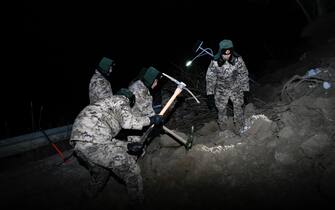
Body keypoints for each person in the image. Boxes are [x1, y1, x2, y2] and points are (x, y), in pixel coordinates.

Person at [70, 88, 163, 207]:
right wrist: (151, 120)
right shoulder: (121, 100)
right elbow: (128, 123)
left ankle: (85, 197)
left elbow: (104, 138)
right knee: (131, 170)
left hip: (79, 146)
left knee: (101, 173)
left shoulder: (102, 105)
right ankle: (137, 204)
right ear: (129, 100)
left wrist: (127, 145)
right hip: (93, 143)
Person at [206, 39, 249, 135]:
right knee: (221, 110)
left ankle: (240, 128)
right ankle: (224, 131)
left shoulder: (238, 59)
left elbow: (244, 74)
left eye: (229, 53)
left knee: (238, 107)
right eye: (224, 54)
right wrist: (210, 94)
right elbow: (210, 78)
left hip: (236, 87)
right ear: (220, 51)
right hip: (221, 89)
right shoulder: (214, 62)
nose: (227, 56)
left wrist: (245, 89)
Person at [128, 66, 163, 142]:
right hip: (134, 123)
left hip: (134, 119)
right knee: (137, 145)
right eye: (155, 81)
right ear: (150, 80)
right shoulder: (141, 91)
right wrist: (158, 120)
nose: (156, 84)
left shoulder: (139, 84)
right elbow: (149, 114)